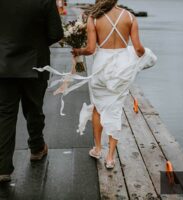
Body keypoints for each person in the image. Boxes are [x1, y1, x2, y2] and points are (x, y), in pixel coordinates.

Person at [71, 0, 149, 169]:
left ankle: (98, 148)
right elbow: (138, 49)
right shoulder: (129, 16)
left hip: (101, 67)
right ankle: (111, 158)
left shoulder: (94, 18)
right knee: (115, 109)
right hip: (121, 70)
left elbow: (91, 49)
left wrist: (78, 51)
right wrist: (145, 57)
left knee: (98, 108)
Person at [0, 0, 63, 182]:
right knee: (34, 108)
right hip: (35, 63)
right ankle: (36, 148)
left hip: (4, 63)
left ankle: (3, 168)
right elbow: (55, 33)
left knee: (5, 114)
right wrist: (38, 42)